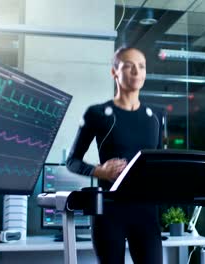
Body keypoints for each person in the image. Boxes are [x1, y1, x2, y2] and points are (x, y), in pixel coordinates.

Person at [66, 47, 163, 264]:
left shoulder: (156, 116)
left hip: (146, 211)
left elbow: (159, 163)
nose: (136, 71)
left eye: (141, 66)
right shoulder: (97, 113)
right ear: (114, 72)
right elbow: (72, 161)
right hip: (109, 211)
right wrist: (98, 170)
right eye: (128, 65)